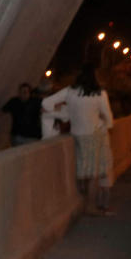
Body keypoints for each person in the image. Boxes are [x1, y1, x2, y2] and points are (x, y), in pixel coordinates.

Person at [42, 64, 115, 215]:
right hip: (94, 136)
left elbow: (46, 103)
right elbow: (109, 120)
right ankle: (91, 207)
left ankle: (84, 204)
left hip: (76, 134)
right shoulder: (100, 93)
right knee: (93, 173)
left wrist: (64, 113)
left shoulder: (69, 91)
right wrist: (103, 123)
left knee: (82, 173)